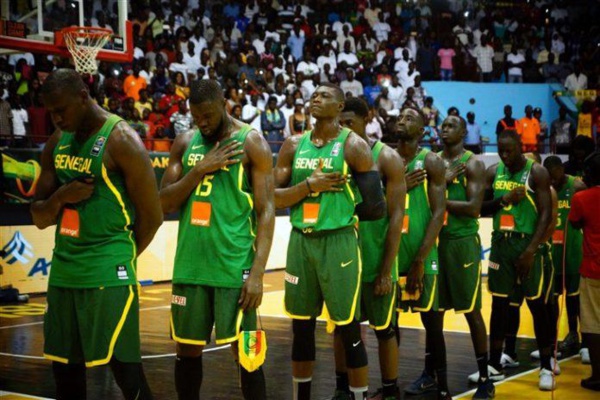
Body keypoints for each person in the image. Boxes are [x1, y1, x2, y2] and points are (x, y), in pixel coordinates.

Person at [31, 68, 163, 399]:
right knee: (65, 375)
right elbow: (39, 217)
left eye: (62, 109)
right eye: (51, 112)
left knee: (127, 375)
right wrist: (62, 196)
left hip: (108, 270)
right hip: (64, 272)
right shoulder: (55, 143)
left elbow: (153, 216)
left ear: (83, 97)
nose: (57, 118)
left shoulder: (121, 140)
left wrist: (122, 257)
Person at [159, 79, 275, 400]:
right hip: (191, 266)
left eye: (208, 115)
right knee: (186, 351)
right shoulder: (184, 143)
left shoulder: (251, 143)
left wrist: (258, 273)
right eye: (197, 117)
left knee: (250, 354)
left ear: (224, 104)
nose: (203, 123)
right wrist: (199, 171)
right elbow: (163, 203)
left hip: (234, 269)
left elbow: (266, 212)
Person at [274, 83, 386, 400]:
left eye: (324, 96)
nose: (316, 98)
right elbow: (268, 195)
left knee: (348, 328)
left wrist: (337, 213)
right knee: (301, 328)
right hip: (301, 241)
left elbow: (376, 206)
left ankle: (358, 395)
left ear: (339, 108)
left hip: (338, 242)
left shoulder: (354, 146)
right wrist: (309, 187)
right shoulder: (293, 145)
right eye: (314, 94)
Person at [333, 98, 406, 400]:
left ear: (368, 118)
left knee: (384, 329)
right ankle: (342, 390)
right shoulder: (336, 156)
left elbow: (397, 217)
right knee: (342, 327)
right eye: (341, 124)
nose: (345, 129)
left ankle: (390, 391)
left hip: (376, 259)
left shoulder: (386, 157)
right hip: (343, 259)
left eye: (350, 123)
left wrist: (386, 270)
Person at [478, 130, 555, 391]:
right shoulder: (493, 171)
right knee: (499, 307)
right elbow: (480, 208)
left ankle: (546, 366)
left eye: (509, 150)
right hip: (501, 244)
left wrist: (531, 250)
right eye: (501, 150)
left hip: (527, 245)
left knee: (537, 307)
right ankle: (494, 365)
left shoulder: (537, 173)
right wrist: (504, 200)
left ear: (520, 147)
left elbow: (546, 214)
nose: (505, 155)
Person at [438, 116, 494, 399]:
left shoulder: (473, 163)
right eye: (442, 125)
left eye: (450, 126)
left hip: (462, 243)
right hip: (436, 242)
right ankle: (436, 378)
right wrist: (440, 185)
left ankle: (485, 379)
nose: (444, 129)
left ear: (462, 132)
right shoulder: (434, 160)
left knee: (471, 311)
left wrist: (437, 197)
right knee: (432, 313)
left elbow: (473, 208)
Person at [395, 107, 448, 399]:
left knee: (433, 323)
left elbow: (439, 212)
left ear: (423, 131)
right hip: (392, 253)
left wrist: (419, 259)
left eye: (410, 118)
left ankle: (441, 387)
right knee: (389, 324)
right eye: (400, 117)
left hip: (421, 253)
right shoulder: (384, 158)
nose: (402, 121)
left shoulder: (431, 161)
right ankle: (390, 381)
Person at [543, 156, 588, 361]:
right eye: (548, 179)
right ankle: (551, 340)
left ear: (562, 169)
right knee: (551, 299)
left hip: (573, 251)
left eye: (554, 177)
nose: (552, 182)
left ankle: (579, 337)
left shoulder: (577, 185)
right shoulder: (545, 186)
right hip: (553, 252)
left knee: (574, 298)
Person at [569, 152, 600, 391]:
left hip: (593, 270)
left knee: (591, 325)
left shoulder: (582, 198)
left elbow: (575, 222)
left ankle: (598, 375)